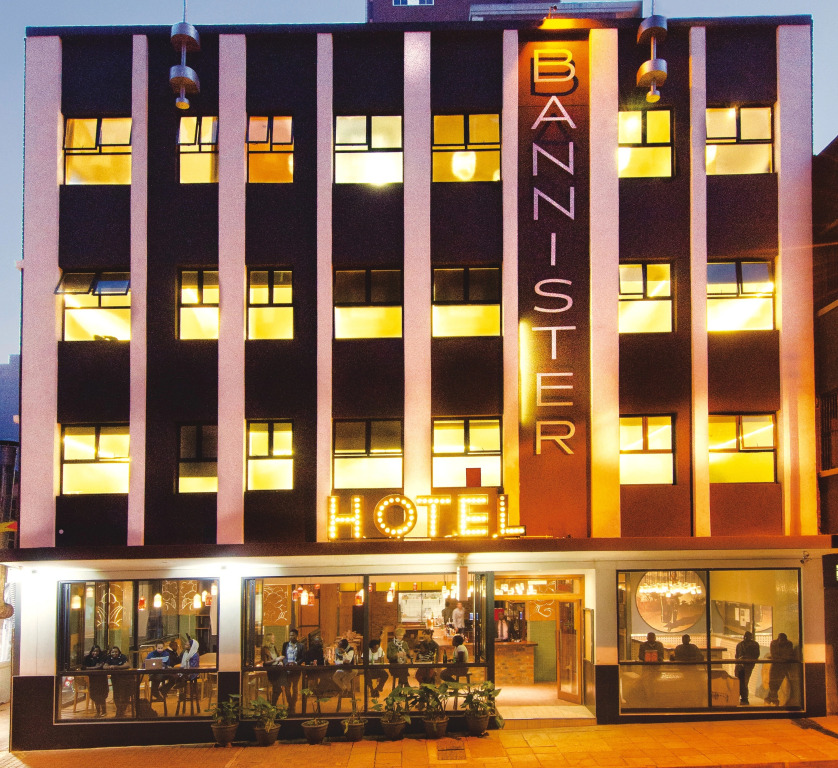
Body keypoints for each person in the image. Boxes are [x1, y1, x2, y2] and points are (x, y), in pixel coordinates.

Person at [279, 628, 305, 714]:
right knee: (287, 688)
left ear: (296, 636)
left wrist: (296, 663)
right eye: (290, 635)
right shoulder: (285, 645)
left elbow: (303, 658)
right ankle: (290, 704)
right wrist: (286, 663)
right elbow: (283, 656)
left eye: (293, 635)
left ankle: (292, 705)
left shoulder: (301, 646)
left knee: (295, 688)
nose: (291, 637)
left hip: (296, 670)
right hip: (287, 669)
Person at [766, 632, 796, 705]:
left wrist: (780, 657)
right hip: (776, 664)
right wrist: (782, 657)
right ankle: (772, 698)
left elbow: (789, 656)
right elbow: (774, 655)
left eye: (783, 640)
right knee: (772, 682)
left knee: (778, 682)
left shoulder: (788, 644)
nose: (782, 642)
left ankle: (772, 698)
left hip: (783, 666)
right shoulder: (774, 643)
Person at [102, 645, 132, 718]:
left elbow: (127, 665)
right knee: (116, 695)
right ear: (110, 653)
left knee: (124, 695)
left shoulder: (123, 657)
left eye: (116, 652)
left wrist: (117, 667)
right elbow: (104, 666)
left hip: (125, 679)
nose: (114, 653)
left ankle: (121, 711)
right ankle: (119, 711)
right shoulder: (109, 658)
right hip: (115, 679)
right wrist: (110, 667)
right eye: (112, 652)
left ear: (119, 652)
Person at [734, 631, 761, 705]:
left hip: (747, 665)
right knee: (738, 681)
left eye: (747, 636)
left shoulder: (754, 645)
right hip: (740, 665)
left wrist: (746, 659)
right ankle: (740, 697)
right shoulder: (740, 644)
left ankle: (744, 698)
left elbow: (756, 655)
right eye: (745, 636)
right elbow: (737, 655)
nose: (745, 638)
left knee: (744, 682)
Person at [83, 645, 108, 717]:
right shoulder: (88, 658)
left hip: (102, 679)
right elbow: (83, 667)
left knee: (102, 695)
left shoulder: (103, 657)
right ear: (91, 651)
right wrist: (94, 667)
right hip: (93, 680)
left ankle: (104, 711)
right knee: (95, 696)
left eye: (97, 651)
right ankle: (98, 712)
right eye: (94, 651)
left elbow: (100, 667)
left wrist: (89, 668)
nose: (95, 653)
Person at [261, 632, 285, 707]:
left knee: (277, 689)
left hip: (277, 670)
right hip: (271, 671)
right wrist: (276, 660)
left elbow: (277, 657)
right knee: (277, 689)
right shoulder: (264, 649)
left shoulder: (274, 647)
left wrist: (280, 661)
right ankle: (272, 706)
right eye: (273, 638)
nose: (274, 639)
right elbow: (265, 662)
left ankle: (272, 706)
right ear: (268, 639)